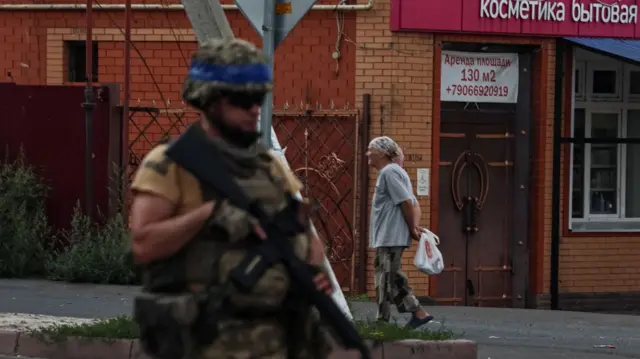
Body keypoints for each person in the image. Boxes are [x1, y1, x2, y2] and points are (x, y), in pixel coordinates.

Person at [129, 38, 334, 359]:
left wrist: (316, 272)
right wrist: (210, 214)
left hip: (273, 340)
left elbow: (303, 231)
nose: (255, 109)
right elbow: (143, 245)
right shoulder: (171, 163)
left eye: (258, 98)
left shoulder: (268, 166)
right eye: (242, 99)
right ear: (210, 100)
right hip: (206, 341)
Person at [367, 136, 433, 329]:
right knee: (386, 277)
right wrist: (414, 226)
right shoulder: (393, 172)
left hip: (391, 235)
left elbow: (406, 202)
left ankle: (405, 316)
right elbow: (413, 202)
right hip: (387, 236)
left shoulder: (389, 172)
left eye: (370, 150)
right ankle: (393, 318)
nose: (368, 154)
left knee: (388, 277)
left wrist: (412, 228)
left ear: (382, 152)